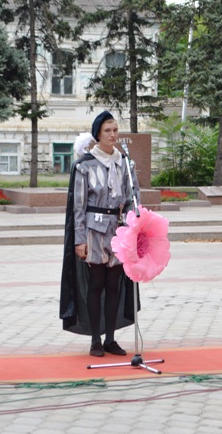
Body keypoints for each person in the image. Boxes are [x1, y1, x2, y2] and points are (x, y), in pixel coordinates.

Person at [60, 111, 139, 357]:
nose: (113, 135)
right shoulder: (85, 165)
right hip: (94, 232)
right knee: (96, 284)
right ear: (97, 134)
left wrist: (133, 227)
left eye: (115, 130)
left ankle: (111, 339)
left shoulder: (126, 163)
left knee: (114, 284)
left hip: (118, 231)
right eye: (107, 130)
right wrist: (79, 240)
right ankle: (95, 339)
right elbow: (79, 205)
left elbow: (133, 198)